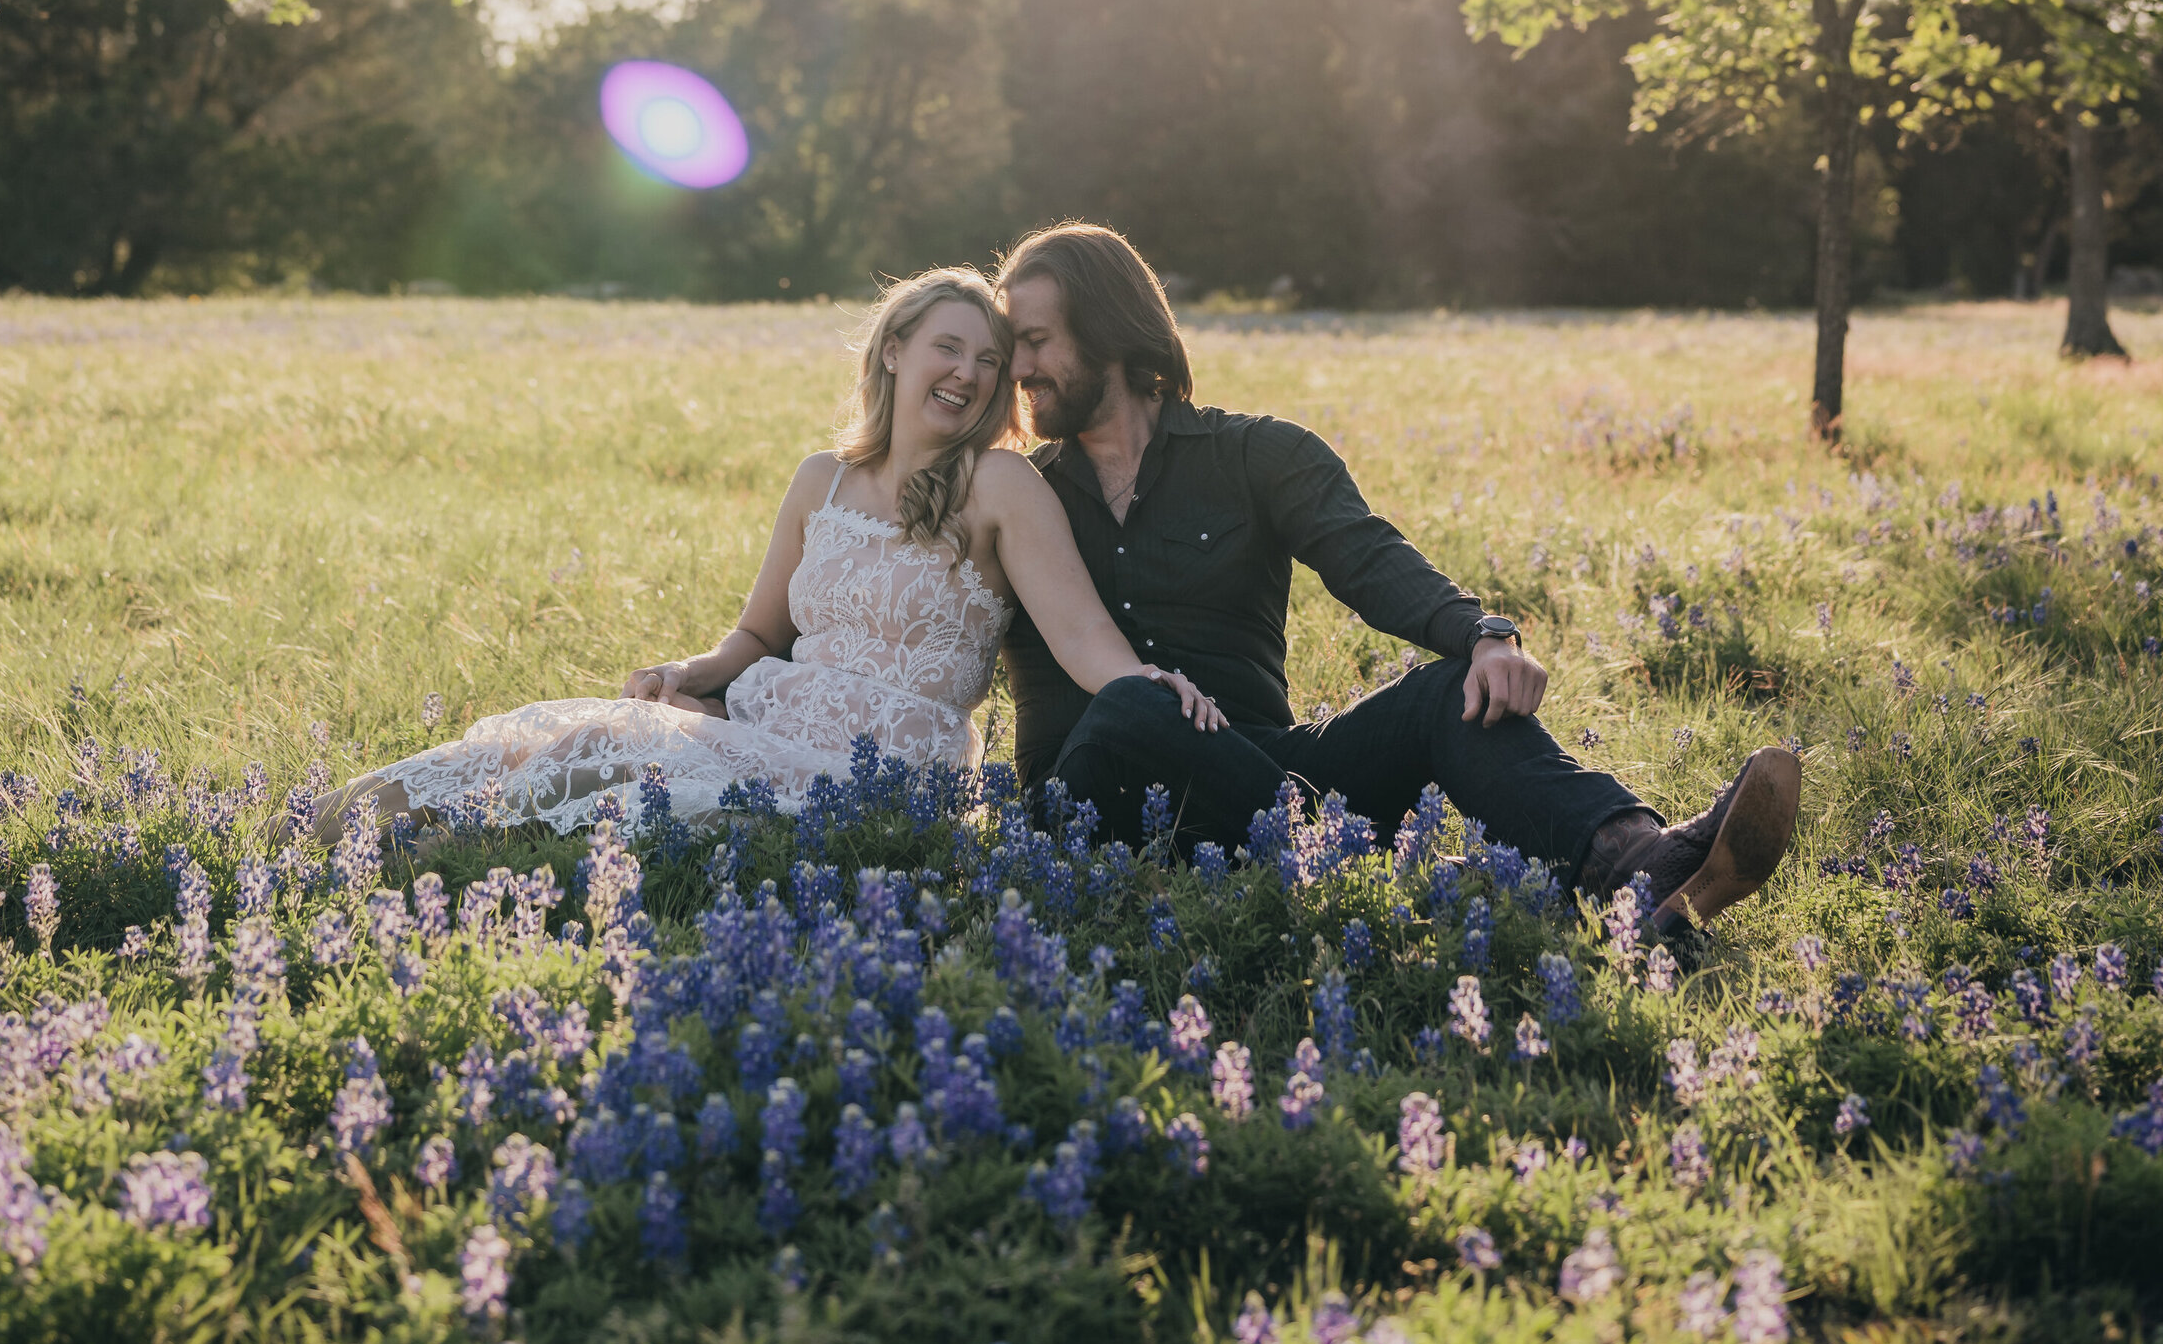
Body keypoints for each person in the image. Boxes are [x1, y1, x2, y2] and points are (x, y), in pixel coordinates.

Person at [995, 223, 1799, 936]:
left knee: (1446, 690)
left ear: (1108, 328)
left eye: (1034, 341)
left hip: (1261, 777)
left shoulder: (1256, 454)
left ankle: (1635, 864)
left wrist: (1484, 636)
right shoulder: (1020, 497)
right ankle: (1406, 877)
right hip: (1094, 802)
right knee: (1136, 699)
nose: (1017, 368)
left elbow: (1368, 555)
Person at [320, 266, 1223, 845]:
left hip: (885, 770)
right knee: (580, 737)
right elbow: (757, 632)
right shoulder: (822, 479)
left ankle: (431, 862)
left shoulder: (999, 485)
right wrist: (689, 667)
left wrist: (1149, 686)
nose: (972, 374)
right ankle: (343, 831)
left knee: (622, 783)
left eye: (990, 360)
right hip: (766, 724)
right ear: (896, 351)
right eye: (949, 348)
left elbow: (1081, 636)